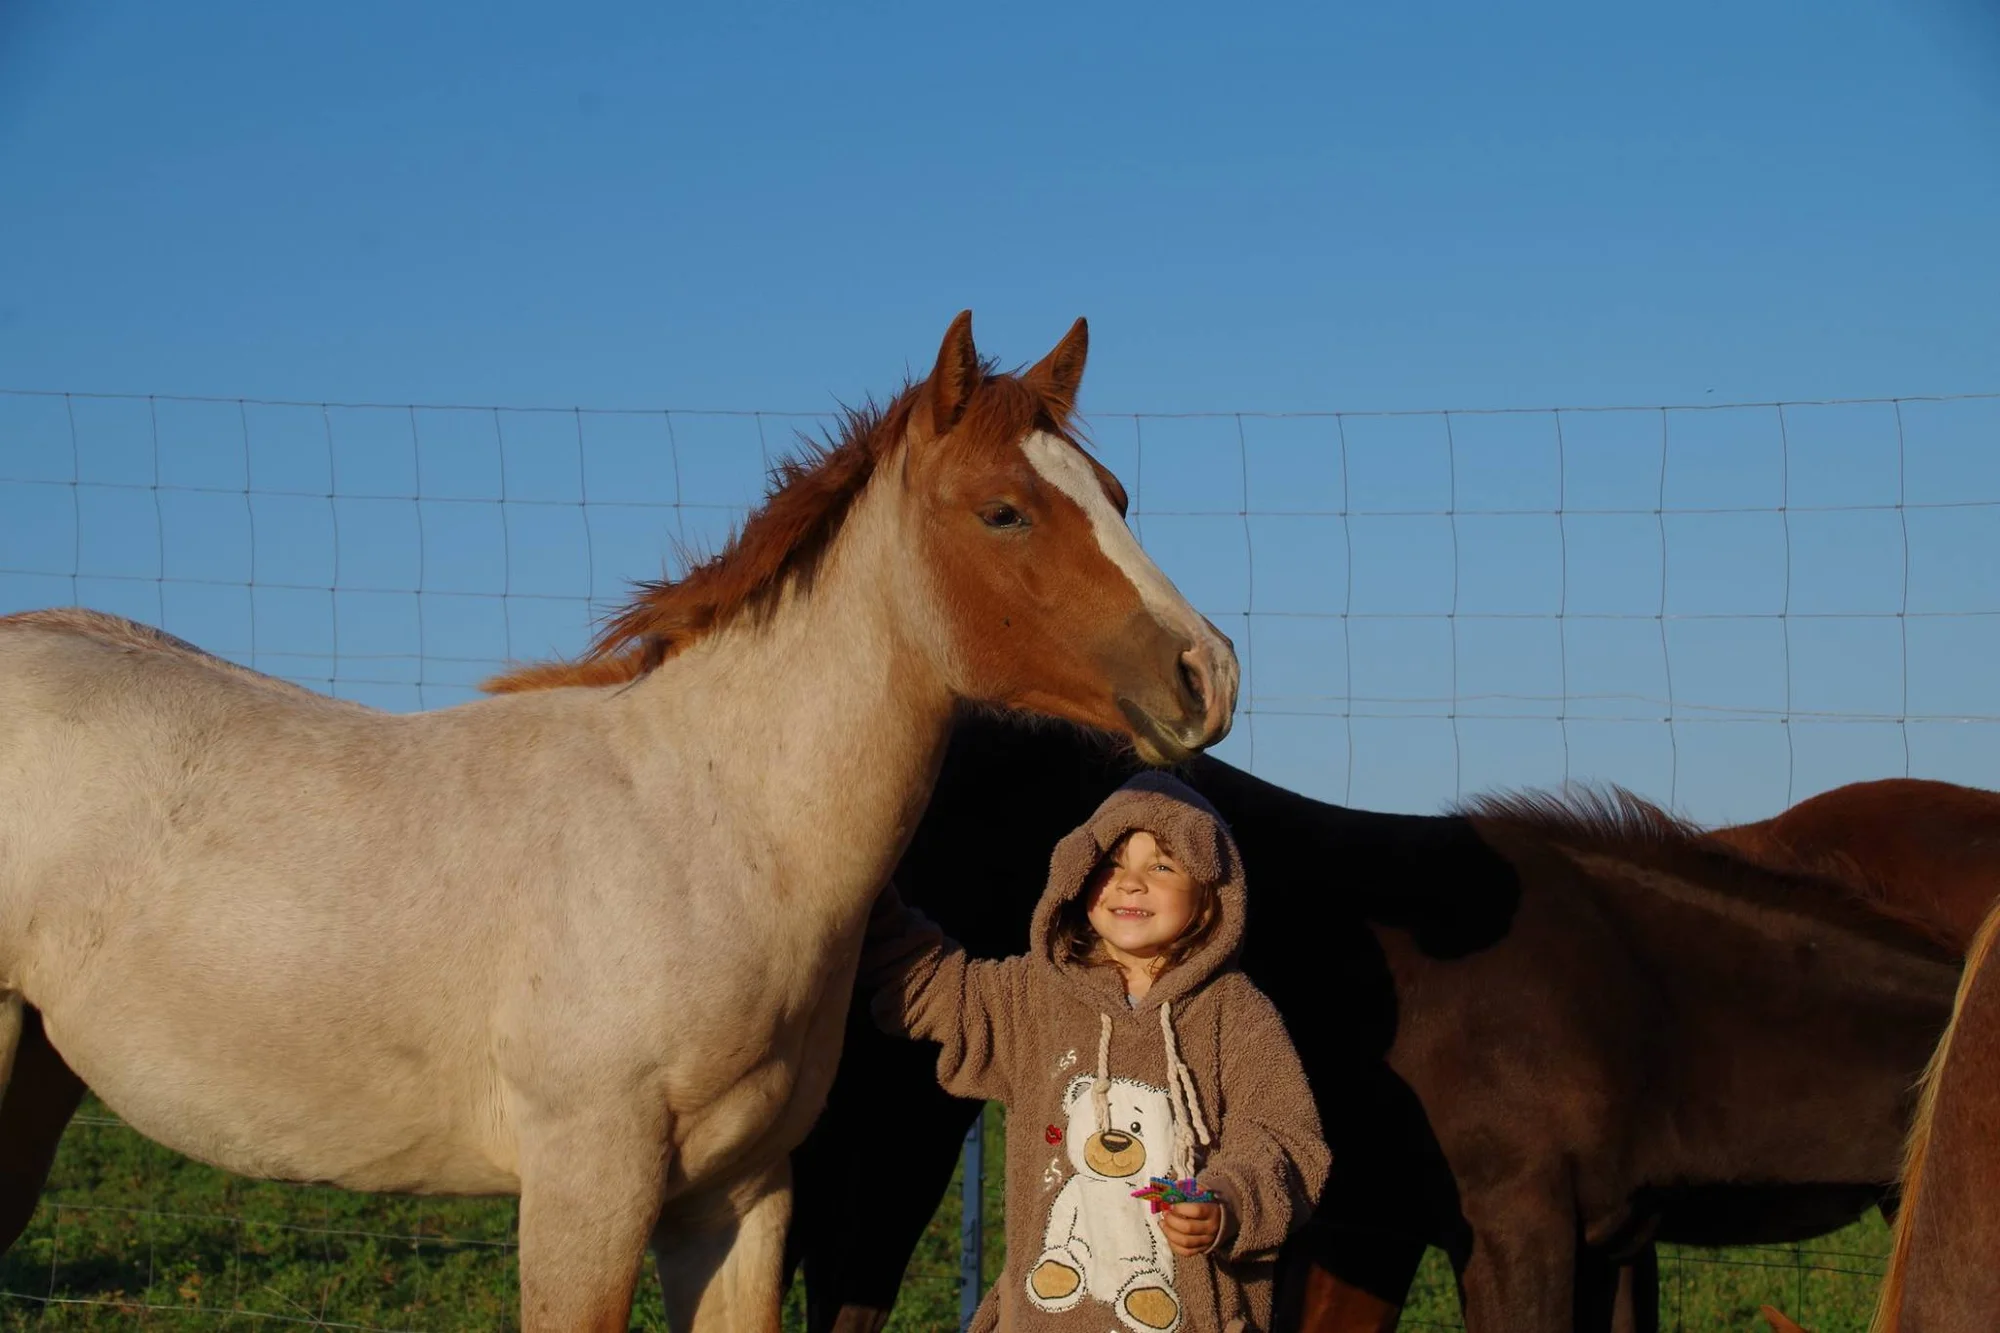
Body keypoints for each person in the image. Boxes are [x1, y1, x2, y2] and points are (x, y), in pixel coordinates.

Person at [864, 771, 1330, 1333]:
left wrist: (1226, 1203)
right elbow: (933, 985)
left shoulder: (1237, 1015)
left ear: (1209, 898)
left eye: (1161, 866)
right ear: (1077, 877)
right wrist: (859, 881)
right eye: (1111, 863)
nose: (1130, 884)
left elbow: (1283, 1139)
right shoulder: (1031, 999)